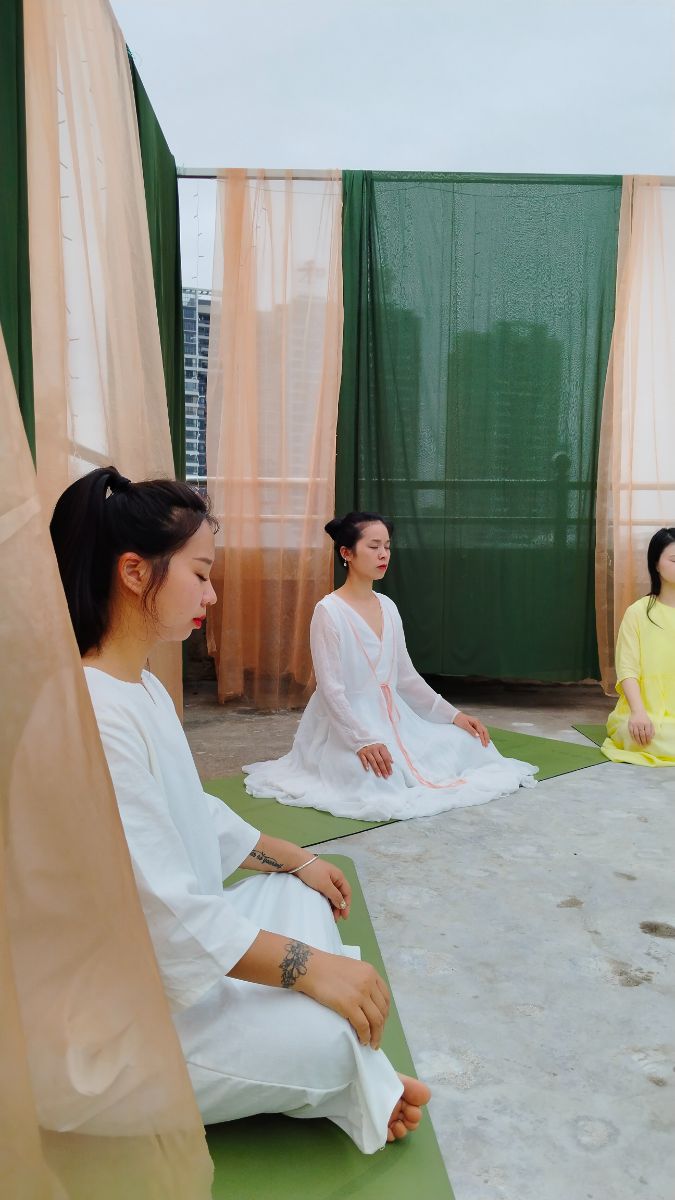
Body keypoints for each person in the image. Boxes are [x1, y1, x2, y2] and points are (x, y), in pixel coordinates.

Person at [49, 468, 430, 1153]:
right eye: (200, 574)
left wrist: (297, 858)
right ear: (134, 572)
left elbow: (190, 812)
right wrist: (311, 969)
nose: (212, 593)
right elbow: (162, 911)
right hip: (109, 1029)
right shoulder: (94, 713)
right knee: (329, 1037)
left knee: (297, 895)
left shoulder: (138, 689)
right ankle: (358, 1075)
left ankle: (352, 1069)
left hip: (169, 966)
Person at [244, 512, 537, 820]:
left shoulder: (388, 606)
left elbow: (406, 678)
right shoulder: (328, 612)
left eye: (387, 546)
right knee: (378, 778)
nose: (383, 554)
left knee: (471, 743)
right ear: (346, 553)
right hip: (346, 726)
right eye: (373, 546)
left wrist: (455, 715)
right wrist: (361, 741)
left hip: (398, 721)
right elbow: (331, 690)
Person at [602, 527, 675, 767]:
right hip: (646, 713)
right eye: (674, 560)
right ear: (656, 564)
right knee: (650, 735)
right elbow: (627, 669)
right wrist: (638, 713)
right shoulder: (638, 613)